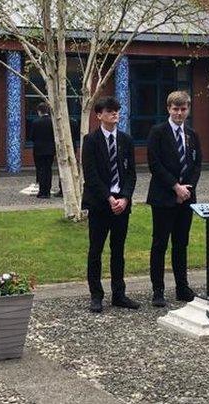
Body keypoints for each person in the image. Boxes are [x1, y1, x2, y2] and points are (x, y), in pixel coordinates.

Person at [82, 96, 138, 313]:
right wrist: (108, 197)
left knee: (118, 250)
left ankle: (119, 293)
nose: (115, 114)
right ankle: (96, 294)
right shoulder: (91, 141)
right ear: (99, 115)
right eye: (109, 111)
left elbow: (131, 173)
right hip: (100, 204)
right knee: (96, 250)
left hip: (121, 205)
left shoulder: (126, 140)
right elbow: (91, 174)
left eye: (117, 111)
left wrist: (124, 197)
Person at [146, 90, 201, 307]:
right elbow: (154, 163)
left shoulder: (192, 134)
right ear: (168, 109)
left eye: (183, 109)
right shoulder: (157, 132)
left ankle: (182, 287)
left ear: (188, 110)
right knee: (160, 244)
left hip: (186, 198)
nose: (179, 113)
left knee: (181, 243)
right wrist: (175, 187)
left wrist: (187, 189)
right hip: (163, 197)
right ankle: (158, 290)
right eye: (176, 109)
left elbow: (197, 164)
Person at [30, 103, 55, 199]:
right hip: (50, 150)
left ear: (39, 111)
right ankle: (47, 191)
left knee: (40, 170)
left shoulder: (35, 122)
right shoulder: (52, 122)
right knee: (48, 170)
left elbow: (32, 137)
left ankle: (41, 191)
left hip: (38, 149)